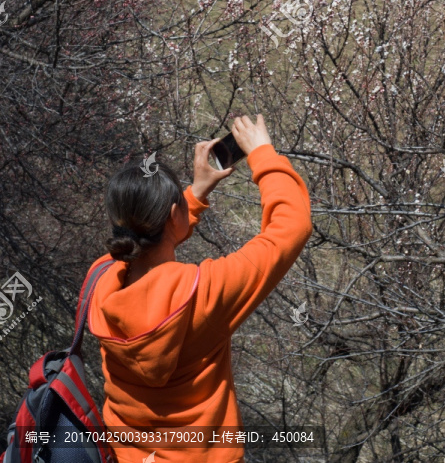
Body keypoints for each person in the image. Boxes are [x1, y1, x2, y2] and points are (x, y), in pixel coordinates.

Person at [85, 114, 312, 463]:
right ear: (173, 216)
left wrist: (195, 194)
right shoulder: (203, 294)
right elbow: (292, 226)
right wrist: (264, 155)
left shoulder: (99, 281)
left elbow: (142, 240)